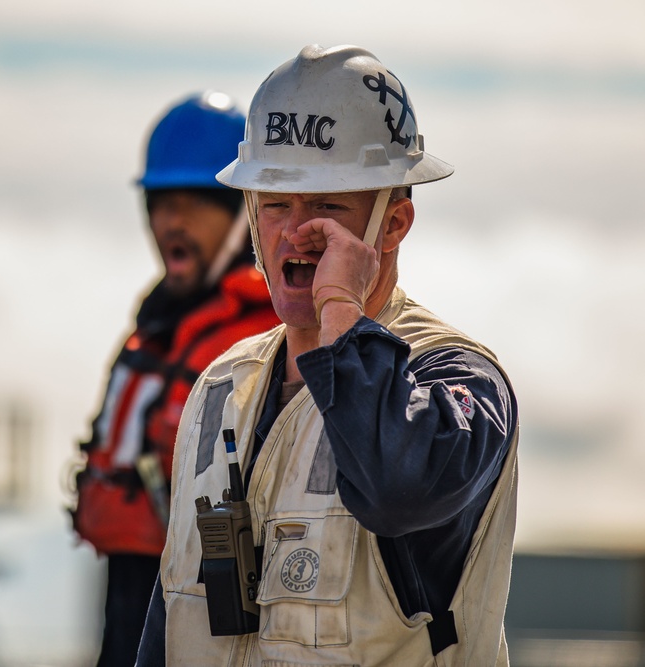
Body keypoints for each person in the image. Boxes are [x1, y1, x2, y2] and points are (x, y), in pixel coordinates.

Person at [136, 45, 519, 665]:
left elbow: (396, 489)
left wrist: (341, 308)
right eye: (276, 204)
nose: (295, 232)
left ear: (393, 225)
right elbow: (173, 619)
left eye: (328, 208)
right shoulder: (220, 389)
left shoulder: (459, 382)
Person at [70, 92, 281, 666]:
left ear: (247, 212)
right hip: (132, 587)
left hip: (210, 612)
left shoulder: (265, 342)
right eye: (161, 203)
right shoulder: (160, 327)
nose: (173, 221)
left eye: (197, 202)